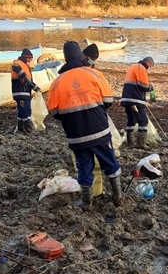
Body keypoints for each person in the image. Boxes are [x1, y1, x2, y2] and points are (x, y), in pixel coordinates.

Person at [46, 41, 122, 209]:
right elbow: (108, 101)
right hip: (99, 132)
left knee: (84, 167)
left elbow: (55, 113)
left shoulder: (57, 83)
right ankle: (118, 197)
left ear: (65, 59)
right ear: (81, 56)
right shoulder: (94, 74)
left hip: (76, 136)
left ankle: (87, 202)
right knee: (110, 163)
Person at [120, 57, 155, 149]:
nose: (149, 68)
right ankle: (140, 143)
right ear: (148, 62)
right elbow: (143, 86)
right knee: (143, 121)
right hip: (135, 99)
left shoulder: (133, 67)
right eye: (150, 65)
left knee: (131, 120)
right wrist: (150, 87)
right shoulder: (141, 68)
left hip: (126, 99)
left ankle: (130, 142)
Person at [11, 48, 41, 133]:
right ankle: (28, 129)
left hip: (21, 93)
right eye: (29, 59)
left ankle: (21, 127)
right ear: (25, 58)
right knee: (26, 110)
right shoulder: (17, 64)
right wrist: (34, 86)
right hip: (21, 93)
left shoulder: (23, 65)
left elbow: (26, 78)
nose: (30, 61)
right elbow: (24, 77)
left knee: (21, 110)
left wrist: (34, 86)